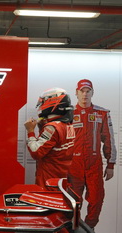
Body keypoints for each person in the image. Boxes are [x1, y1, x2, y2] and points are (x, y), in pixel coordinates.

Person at [68, 79, 116, 229]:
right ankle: (73, 228)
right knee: (73, 201)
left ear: (92, 93)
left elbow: (109, 139)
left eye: (88, 91)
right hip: (73, 165)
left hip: (94, 164)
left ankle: (89, 228)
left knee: (96, 199)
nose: (85, 94)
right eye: (82, 91)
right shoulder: (69, 114)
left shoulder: (101, 113)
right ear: (76, 93)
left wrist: (111, 164)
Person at [24, 87, 75, 190]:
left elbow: (36, 152)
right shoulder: (68, 124)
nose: (41, 106)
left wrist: (30, 131)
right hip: (62, 181)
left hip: (49, 183)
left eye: (42, 102)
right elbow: (55, 148)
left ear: (51, 102)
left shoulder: (52, 127)